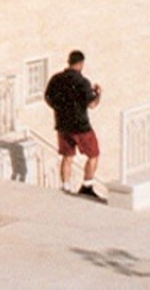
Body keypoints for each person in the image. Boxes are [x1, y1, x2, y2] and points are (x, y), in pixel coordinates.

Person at [44, 49, 102, 197]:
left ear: (69, 62)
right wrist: (98, 94)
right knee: (93, 154)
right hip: (81, 126)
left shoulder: (56, 79)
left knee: (67, 157)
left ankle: (66, 186)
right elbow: (92, 105)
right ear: (81, 63)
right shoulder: (82, 82)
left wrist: (59, 109)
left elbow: (48, 97)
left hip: (63, 125)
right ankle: (87, 186)